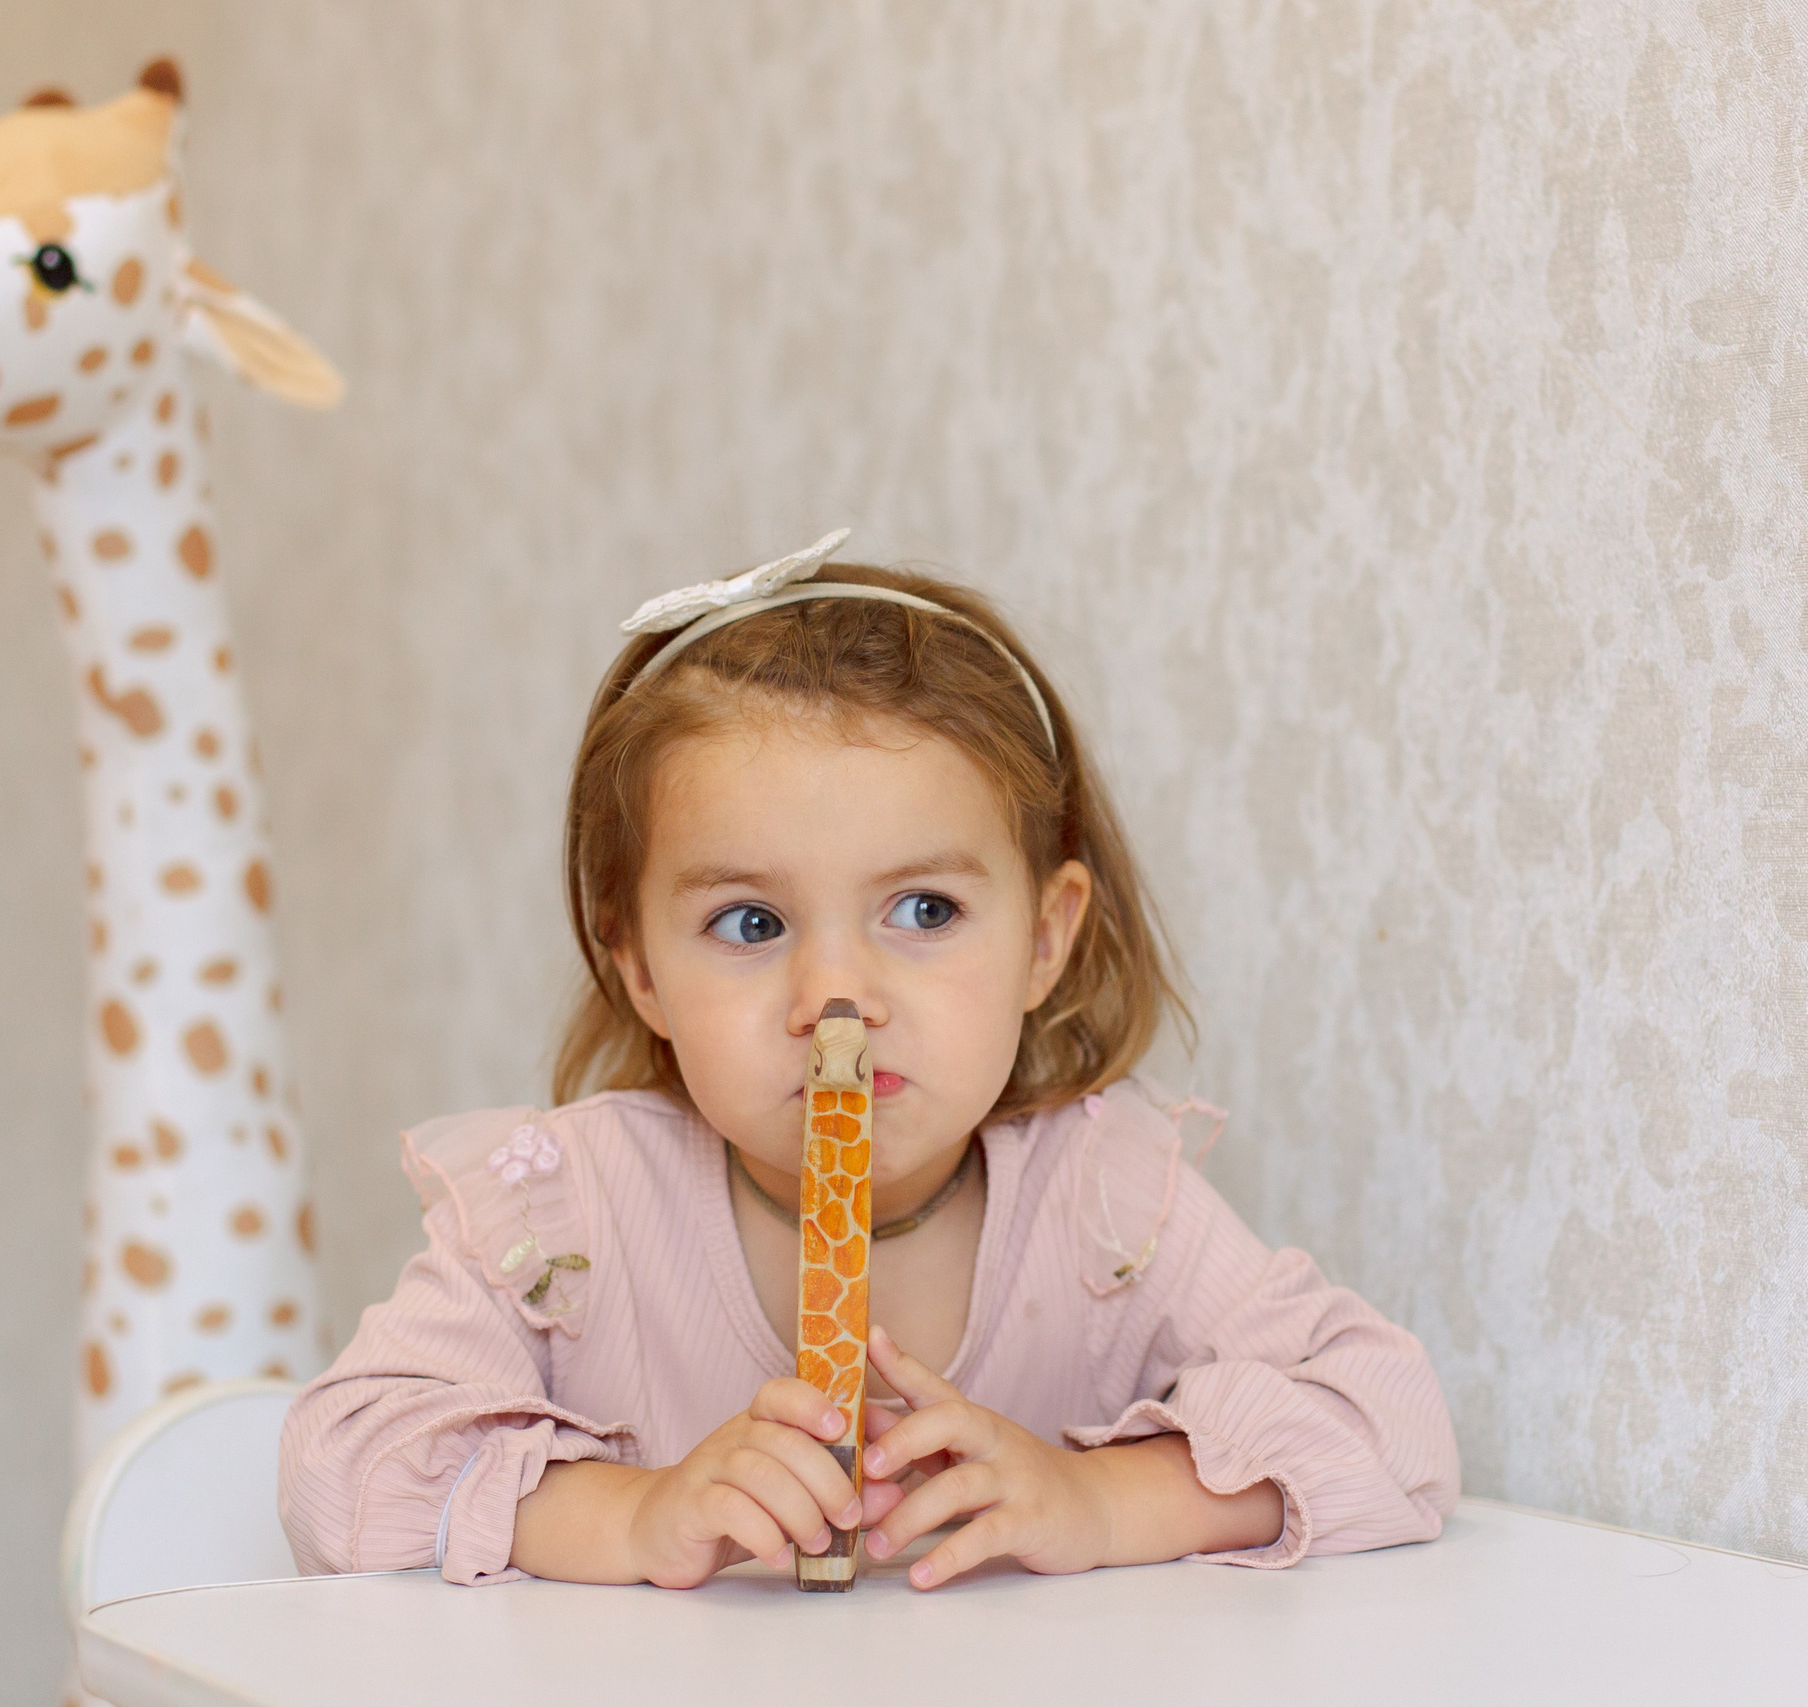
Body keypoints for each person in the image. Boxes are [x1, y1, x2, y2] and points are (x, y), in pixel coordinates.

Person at [279, 531, 1460, 1591]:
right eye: (752, 924)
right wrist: (629, 1517)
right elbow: (339, 1469)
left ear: (1044, 939)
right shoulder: (565, 1220)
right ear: (636, 967)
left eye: (925, 912)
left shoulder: (1108, 1209)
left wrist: (1098, 1502)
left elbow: (1392, 1424)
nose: (834, 1002)